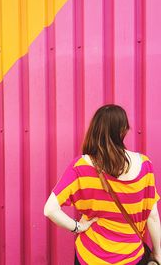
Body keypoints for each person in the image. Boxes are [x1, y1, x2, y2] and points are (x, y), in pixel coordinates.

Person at [44, 104, 161, 265]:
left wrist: (77, 227)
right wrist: (157, 254)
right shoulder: (145, 166)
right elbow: (153, 216)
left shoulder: (80, 166)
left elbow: (50, 209)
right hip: (130, 257)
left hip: (90, 256)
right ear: (123, 131)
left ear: (95, 129)